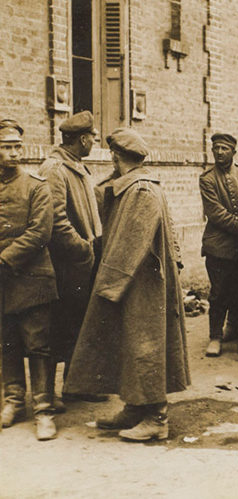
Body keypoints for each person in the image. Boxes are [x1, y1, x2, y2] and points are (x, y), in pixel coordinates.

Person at [65, 128, 190, 442]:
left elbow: (130, 242)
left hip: (143, 284)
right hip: (134, 281)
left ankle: (157, 418)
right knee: (132, 345)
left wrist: (108, 283)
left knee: (146, 346)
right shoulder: (133, 185)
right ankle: (135, 407)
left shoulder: (141, 190)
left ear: (115, 156)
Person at [36, 111, 104, 410]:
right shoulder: (55, 169)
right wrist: (82, 249)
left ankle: (74, 386)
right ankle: (48, 395)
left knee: (79, 324)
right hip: (64, 264)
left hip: (81, 262)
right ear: (81, 139)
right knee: (56, 326)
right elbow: (55, 220)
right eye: (92, 138)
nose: (94, 142)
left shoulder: (77, 166)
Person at [0, 119, 59, 440]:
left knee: (39, 346)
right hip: (2, 284)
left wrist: (4, 259)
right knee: (6, 342)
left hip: (34, 280)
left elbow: (40, 232)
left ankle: (43, 409)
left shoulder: (37, 185)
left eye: (16, 147)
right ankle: (13, 401)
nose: (13, 154)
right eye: (6, 147)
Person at [200, 133, 238, 358]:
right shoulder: (207, 179)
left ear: (234, 152)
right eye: (216, 148)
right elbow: (215, 213)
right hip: (218, 246)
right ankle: (215, 336)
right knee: (218, 293)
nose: (220, 152)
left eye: (224, 148)